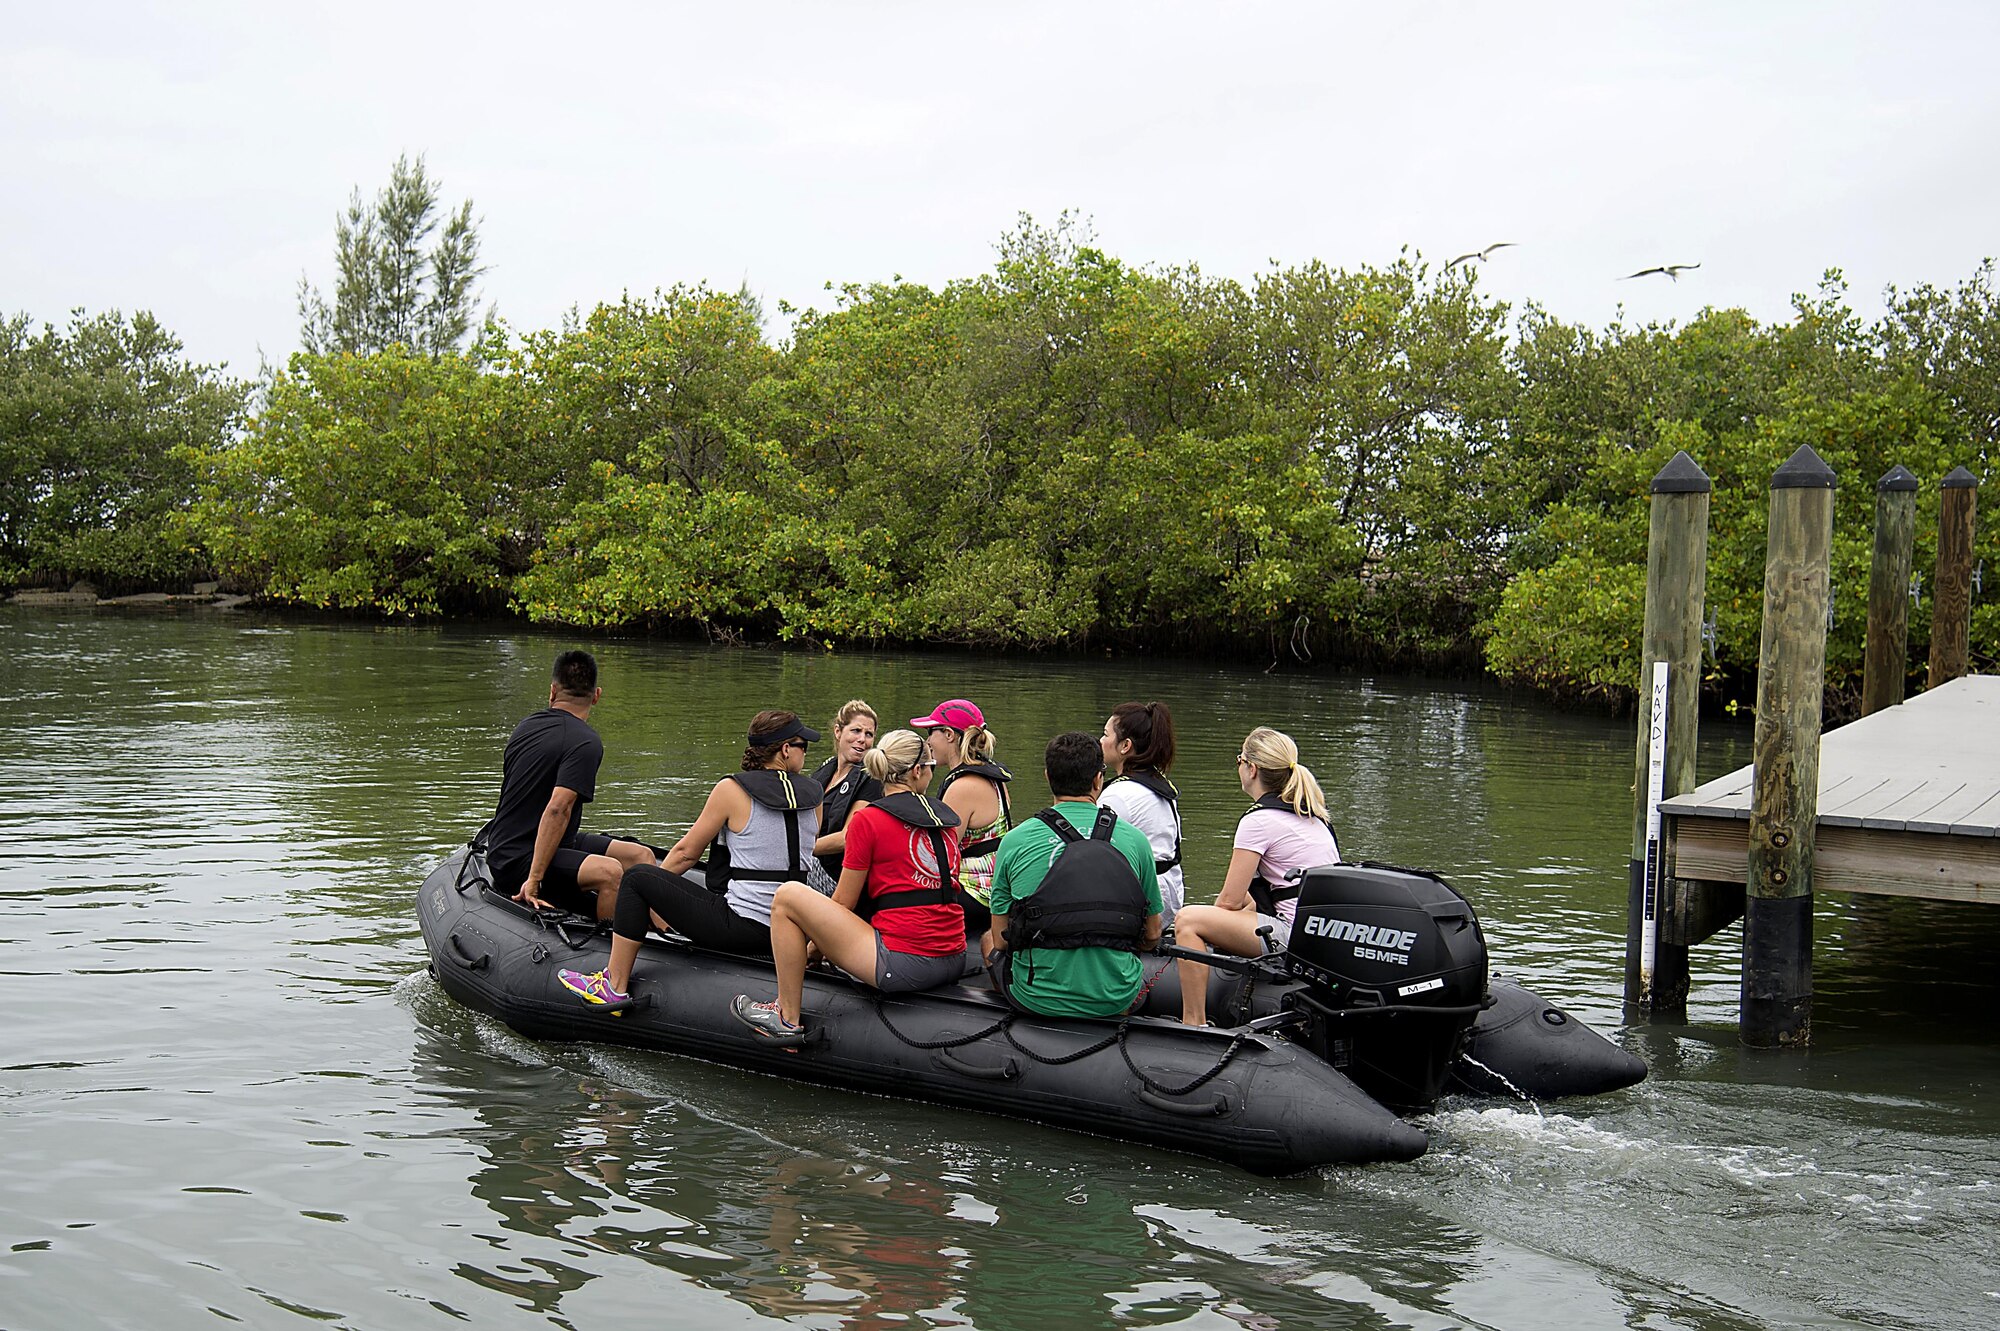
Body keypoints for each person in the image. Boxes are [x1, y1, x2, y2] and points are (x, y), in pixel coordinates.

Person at [557, 710, 823, 1005]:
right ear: (786, 750)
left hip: (744, 927)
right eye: (804, 746)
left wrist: (655, 900)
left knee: (636, 878)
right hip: (793, 932)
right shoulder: (815, 796)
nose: (805, 754)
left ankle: (614, 985)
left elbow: (685, 854)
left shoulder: (732, 790)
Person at [731, 729, 967, 1043]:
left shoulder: (868, 821)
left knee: (788, 895)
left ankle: (785, 1017)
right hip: (955, 957)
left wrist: (810, 950)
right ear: (918, 771)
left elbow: (843, 903)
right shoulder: (947, 822)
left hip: (903, 964)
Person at [985, 731, 1163, 1019]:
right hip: (1116, 999)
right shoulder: (1137, 841)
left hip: (1037, 998)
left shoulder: (1015, 841)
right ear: (1097, 780)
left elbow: (1001, 940)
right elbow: (1153, 934)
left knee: (985, 940)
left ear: (1047, 777)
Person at [1173, 726, 1340, 1026]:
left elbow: (1228, 902)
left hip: (1294, 936)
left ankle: (1193, 1021)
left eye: (1239, 760)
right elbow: (1255, 897)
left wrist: (1213, 924)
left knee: (1188, 920)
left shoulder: (1259, 820)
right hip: (1322, 934)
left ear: (1251, 768)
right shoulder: (1314, 816)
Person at [481, 650, 655, 920]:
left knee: (641, 856)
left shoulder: (526, 726)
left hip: (548, 843)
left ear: (552, 691)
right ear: (596, 695)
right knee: (611, 874)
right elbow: (558, 809)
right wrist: (535, 878)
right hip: (517, 859)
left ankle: (663, 940)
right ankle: (608, 952)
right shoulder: (586, 742)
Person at [914, 698, 1011, 931]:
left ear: (949, 734)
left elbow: (940, 855)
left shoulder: (962, 786)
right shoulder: (992, 776)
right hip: (994, 888)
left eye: (930, 731)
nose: (928, 741)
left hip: (975, 893)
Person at [1097, 701, 1185, 927]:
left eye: (1106, 735)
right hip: (1171, 893)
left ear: (1125, 746)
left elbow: (1092, 853)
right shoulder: (1159, 783)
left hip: (1144, 900)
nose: (1101, 741)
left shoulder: (1118, 794)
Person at [809, 700, 883, 881]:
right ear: (838, 731)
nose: (862, 739)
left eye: (869, 734)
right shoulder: (825, 769)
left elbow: (847, 837)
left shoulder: (872, 779)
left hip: (837, 874)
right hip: (811, 858)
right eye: (856, 731)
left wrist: (796, 850)